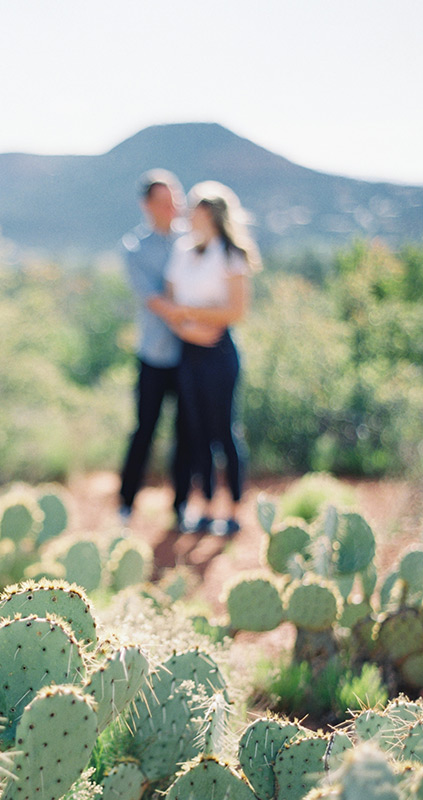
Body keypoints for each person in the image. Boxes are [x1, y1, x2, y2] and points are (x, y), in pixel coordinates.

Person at [152, 181, 261, 537]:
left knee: (224, 431)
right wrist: (191, 328)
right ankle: (206, 507)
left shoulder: (231, 254)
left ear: (210, 213)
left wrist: (192, 317)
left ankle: (234, 509)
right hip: (189, 350)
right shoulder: (182, 250)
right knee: (195, 431)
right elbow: (171, 302)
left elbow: (236, 310)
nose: (187, 212)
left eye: (194, 206)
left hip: (219, 353)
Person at [118, 169, 188, 526]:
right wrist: (192, 319)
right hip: (154, 354)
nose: (172, 206)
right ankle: (126, 504)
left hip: (191, 355)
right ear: (146, 205)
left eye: (175, 198)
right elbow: (153, 300)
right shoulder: (135, 249)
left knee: (187, 433)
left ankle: (181, 507)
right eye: (164, 201)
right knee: (144, 429)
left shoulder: (191, 240)